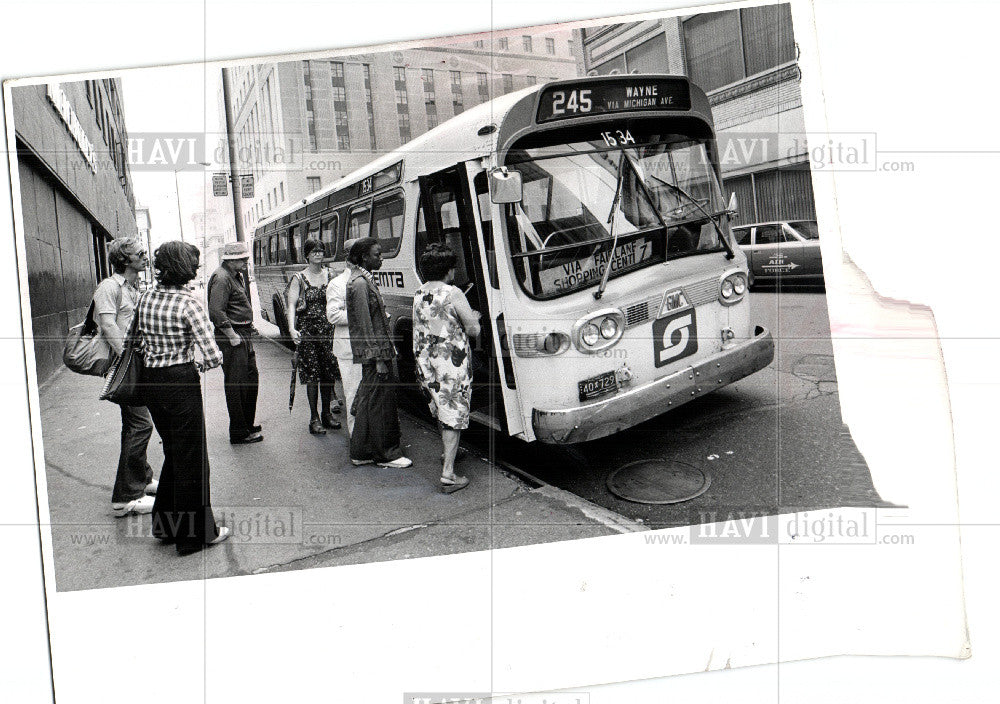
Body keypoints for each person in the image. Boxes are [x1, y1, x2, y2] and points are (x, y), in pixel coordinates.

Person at [136, 241, 229, 555]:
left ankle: (165, 526)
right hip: (180, 383)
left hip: (151, 382)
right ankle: (195, 537)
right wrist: (200, 358)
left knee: (175, 453)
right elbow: (213, 355)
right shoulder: (189, 302)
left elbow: (134, 341)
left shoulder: (146, 296)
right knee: (192, 458)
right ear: (184, 267)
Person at [94, 237, 158, 516]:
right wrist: (126, 359)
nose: (145, 257)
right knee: (141, 424)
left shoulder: (132, 287)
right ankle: (126, 497)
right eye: (139, 254)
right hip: (125, 364)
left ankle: (141, 478)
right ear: (124, 259)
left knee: (133, 422)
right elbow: (108, 324)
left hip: (135, 363)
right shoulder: (109, 287)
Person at [412, 244, 480, 494]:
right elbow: (474, 330)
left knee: (442, 408)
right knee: (453, 412)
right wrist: (473, 317)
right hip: (451, 363)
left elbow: (435, 326)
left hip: (427, 361)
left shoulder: (420, 292)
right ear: (448, 270)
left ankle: (447, 452)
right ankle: (448, 475)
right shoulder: (453, 293)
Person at [345, 237, 412, 468]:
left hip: (375, 352)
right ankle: (387, 454)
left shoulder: (361, 280)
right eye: (377, 254)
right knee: (381, 404)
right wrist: (379, 359)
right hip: (376, 354)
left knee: (369, 401)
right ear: (364, 257)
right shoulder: (361, 283)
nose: (381, 258)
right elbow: (365, 326)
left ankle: (361, 451)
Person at [208, 241, 262, 444]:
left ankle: (246, 424)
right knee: (237, 384)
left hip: (242, 334)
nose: (246, 262)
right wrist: (231, 334)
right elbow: (216, 311)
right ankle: (239, 431)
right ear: (231, 260)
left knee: (249, 380)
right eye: (242, 259)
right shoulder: (222, 277)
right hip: (233, 336)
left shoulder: (233, 275)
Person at [287, 238, 342, 434]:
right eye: (314, 251)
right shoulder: (299, 278)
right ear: (307, 255)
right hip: (308, 332)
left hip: (328, 331)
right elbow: (291, 305)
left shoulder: (331, 274)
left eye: (321, 251)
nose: (318, 254)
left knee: (328, 373)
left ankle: (326, 414)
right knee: (312, 374)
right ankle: (314, 418)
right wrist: (292, 329)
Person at [326, 238, 363, 436]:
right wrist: (363, 315)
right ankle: (357, 440)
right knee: (353, 394)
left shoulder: (367, 279)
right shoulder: (337, 284)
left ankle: (369, 439)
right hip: (349, 349)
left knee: (368, 396)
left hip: (367, 347)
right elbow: (333, 315)